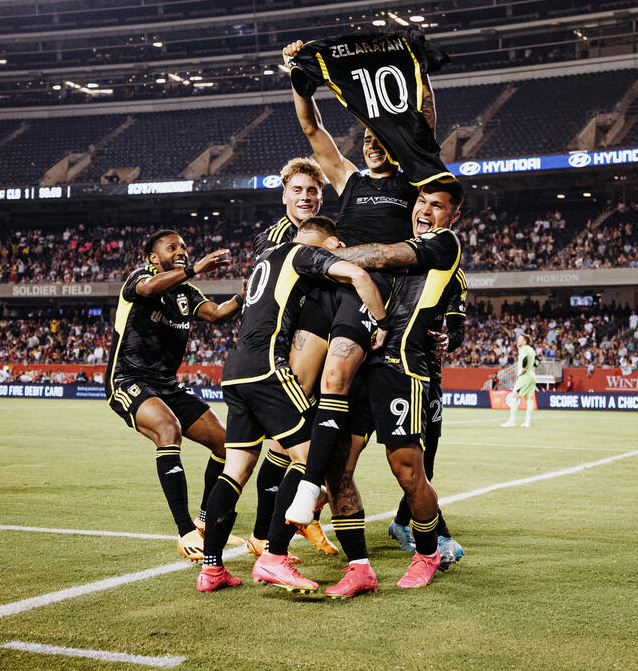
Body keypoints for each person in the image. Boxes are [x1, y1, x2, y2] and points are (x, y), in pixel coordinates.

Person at [282, 37, 441, 528]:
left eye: (380, 139)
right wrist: (298, 78)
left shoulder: (409, 182)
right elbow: (311, 127)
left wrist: (418, 72)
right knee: (291, 396)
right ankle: (277, 516)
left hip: (373, 296)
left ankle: (311, 496)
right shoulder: (348, 178)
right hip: (331, 291)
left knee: (336, 385)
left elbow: (425, 125)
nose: (372, 143)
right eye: (366, 139)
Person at [196, 216, 388, 594]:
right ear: (326, 243)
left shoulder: (266, 257)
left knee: (234, 470)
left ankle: (212, 569)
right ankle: (275, 557)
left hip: (234, 371)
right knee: (312, 454)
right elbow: (360, 277)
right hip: (268, 369)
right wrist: (382, 323)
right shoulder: (303, 253)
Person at [310, 182, 465, 594]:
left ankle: (428, 554)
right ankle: (359, 568)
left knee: (408, 471)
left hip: (402, 367)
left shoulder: (444, 244)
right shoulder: (407, 241)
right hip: (364, 360)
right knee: (337, 468)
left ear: (453, 217)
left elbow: (378, 255)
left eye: (437, 206)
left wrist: (319, 257)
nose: (426, 211)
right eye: (421, 202)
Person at [106, 230, 243, 563]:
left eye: (183, 247)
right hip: (129, 380)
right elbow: (149, 290)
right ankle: (185, 532)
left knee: (227, 444)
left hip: (167, 383)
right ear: (154, 258)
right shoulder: (140, 277)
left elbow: (217, 314)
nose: (181, 250)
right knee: (169, 431)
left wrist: (245, 294)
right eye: (172, 247)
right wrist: (196, 268)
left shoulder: (187, 293)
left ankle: (206, 523)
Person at [246, 157, 338, 559]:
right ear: (284, 194)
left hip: (315, 344)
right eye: (298, 190)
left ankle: (295, 519)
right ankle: (263, 533)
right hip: (283, 351)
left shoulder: (319, 232)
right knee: (287, 446)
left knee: (316, 443)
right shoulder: (278, 236)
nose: (306, 197)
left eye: (313, 190)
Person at [388, 264, 467, 567]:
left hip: (429, 374)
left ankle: (401, 523)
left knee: (426, 463)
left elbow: (457, 328)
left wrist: (451, 339)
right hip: (389, 367)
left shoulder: (455, 277)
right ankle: (439, 535)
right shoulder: (398, 259)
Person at [502, 334, 537, 428]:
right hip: (532, 375)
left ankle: (512, 421)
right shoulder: (531, 350)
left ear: (524, 341)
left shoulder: (524, 349)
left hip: (525, 376)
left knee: (514, 397)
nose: (517, 340)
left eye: (520, 339)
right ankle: (527, 422)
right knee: (529, 398)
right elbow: (537, 362)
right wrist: (530, 369)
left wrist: (522, 371)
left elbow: (525, 360)